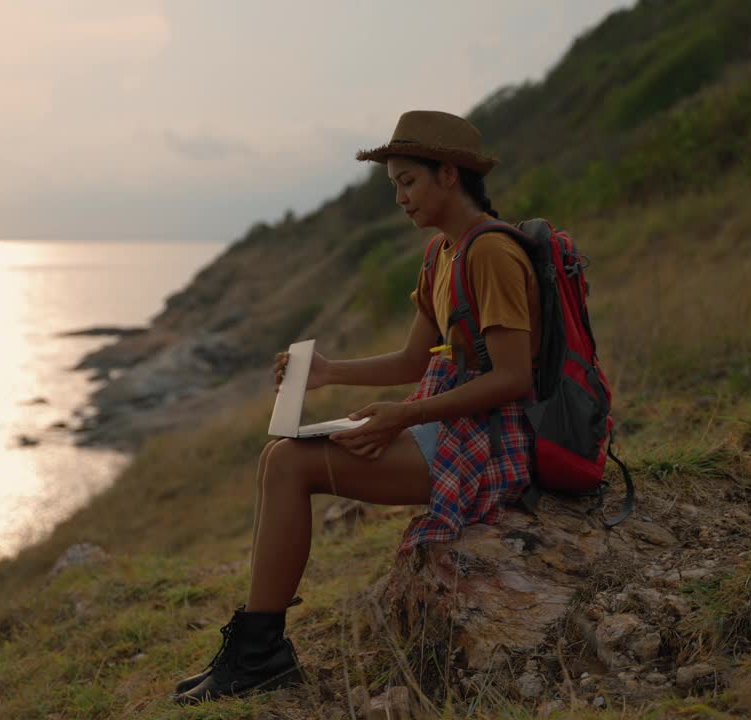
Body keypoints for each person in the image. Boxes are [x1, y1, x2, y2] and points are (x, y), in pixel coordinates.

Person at [172, 110, 541, 705]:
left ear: (449, 174)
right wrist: (328, 375)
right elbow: (413, 361)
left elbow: (513, 376)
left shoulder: (491, 253)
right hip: (449, 426)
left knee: (292, 464)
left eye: (407, 182)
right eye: (393, 185)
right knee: (279, 457)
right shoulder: (441, 255)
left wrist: (404, 415)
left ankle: (261, 654)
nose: (399, 197)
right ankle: (254, 644)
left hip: (492, 443)